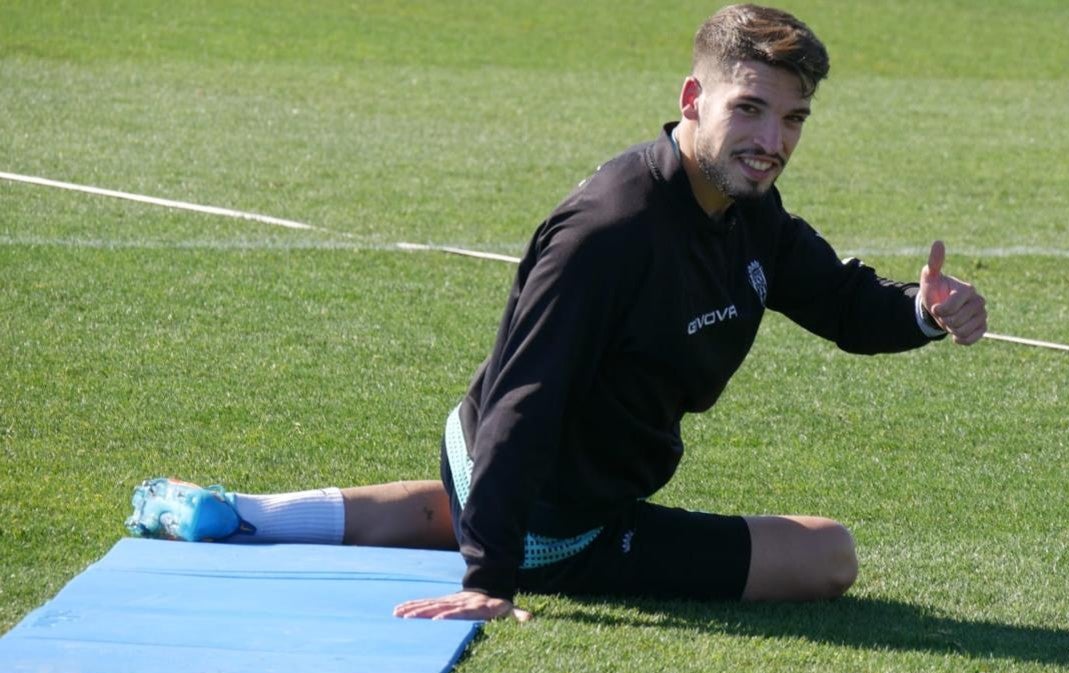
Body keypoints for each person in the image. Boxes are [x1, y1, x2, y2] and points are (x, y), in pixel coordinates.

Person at [126, 3, 987, 623]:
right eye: (750, 110)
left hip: (498, 463)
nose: (774, 140)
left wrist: (919, 313)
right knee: (828, 554)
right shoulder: (610, 230)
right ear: (694, 99)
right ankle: (495, 536)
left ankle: (243, 513)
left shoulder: (743, 202)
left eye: (792, 118)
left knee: (456, 503)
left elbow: (835, 300)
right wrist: (491, 576)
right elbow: (528, 395)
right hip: (557, 521)